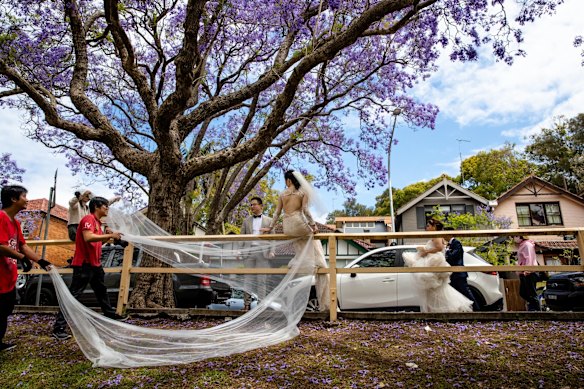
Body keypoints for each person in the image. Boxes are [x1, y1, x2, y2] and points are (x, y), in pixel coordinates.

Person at [53, 196, 127, 340]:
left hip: (95, 264)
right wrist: (111, 234)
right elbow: (88, 237)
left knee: (101, 291)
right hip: (83, 265)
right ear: (97, 207)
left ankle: (110, 314)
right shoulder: (88, 219)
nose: (107, 208)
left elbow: (98, 242)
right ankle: (58, 327)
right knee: (74, 295)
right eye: (105, 206)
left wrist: (108, 236)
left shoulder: (98, 224)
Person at [262, 170, 330, 312]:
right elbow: (305, 210)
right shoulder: (302, 192)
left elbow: (276, 213)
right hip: (299, 223)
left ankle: (303, 262)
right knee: (315, 246)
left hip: (288, 227)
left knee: (301, 247)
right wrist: (313, 226)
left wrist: (269, 228)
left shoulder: (282, 194)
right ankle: (316, 265)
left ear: (288, 180)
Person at [0, 185, 52, 352]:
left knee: (5, 310)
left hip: (8, 277)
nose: (27, 200)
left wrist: (40, 260)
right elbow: (0, 245)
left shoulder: (15, 222)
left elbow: (23, 246)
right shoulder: (1, 217)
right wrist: (22, 259)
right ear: (14, 199)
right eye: (24, 196)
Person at [402, 219, 473, 313]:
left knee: (437, 287)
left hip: (435, 261)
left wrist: (426, 251)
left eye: (428, 226)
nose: (426, 227)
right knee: (436, 289)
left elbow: (439, 247)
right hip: (433, 260)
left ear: (434, 227)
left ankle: (449, 308)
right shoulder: (434, 236)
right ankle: (435, 310)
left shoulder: (437, 235)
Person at [240, 196, 274, 310]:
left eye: (254, 204)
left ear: (261, 206)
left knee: (262, 280)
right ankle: (246, 304)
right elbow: (242, 238)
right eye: (251, 205)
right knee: (248, 279)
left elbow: (273, 238)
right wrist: (241, 251)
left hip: (263, 253)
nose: (252, 207)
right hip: (249, 252)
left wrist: (272, 251)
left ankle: (261, 305)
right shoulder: (246, 221)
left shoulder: (269, 221)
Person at [444, 227, 479, 311]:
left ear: (450, 234)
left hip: (459, 273)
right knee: (455, 294)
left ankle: (477, 309)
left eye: (444, 233)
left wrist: (446, 251)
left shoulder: (456, 243)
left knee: (466, 292)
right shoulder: (449, 244)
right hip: (453, 274)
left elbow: (453, 256)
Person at [514, 235, 541, 311]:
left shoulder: (527, 245)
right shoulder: (523, 245)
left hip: (529, 272)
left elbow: (529, 258)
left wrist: (527, 270)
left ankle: (537, 311)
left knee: (531, 294)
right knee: (523, 293)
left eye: (515, 236)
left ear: (521, 236)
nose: (514, 238)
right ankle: (533, 308)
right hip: (524, 272)